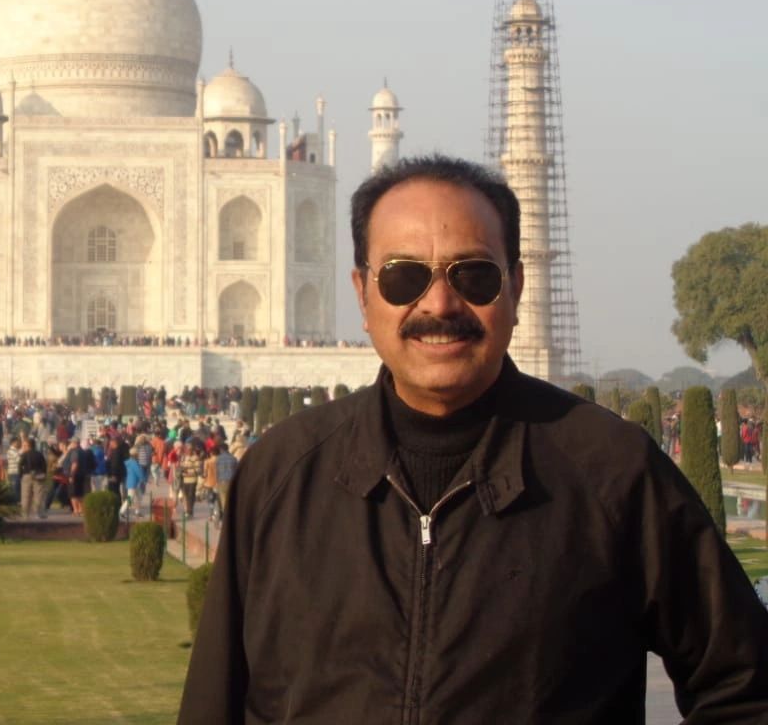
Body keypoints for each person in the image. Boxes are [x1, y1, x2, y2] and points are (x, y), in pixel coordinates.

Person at [180, 155, 768, 723]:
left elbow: (746, 687)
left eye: (475, 276)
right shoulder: (284, 474)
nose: (439, 304)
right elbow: (217, 702)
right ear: (362, 294)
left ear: (514, 287)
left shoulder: (609, 471)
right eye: (403, 277)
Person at [18, 436, 47, 519]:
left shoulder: (24, 454)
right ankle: (38, 513)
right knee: (39, 495)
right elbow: (44, 465)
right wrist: (44, 474)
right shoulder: (39, 454)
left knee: (26, 496)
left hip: (27, 475)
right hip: (39, 476)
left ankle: (25, 514)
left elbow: (20, 465)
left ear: (28, 445)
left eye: (24, 445)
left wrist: (21, 475)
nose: (23, 447)